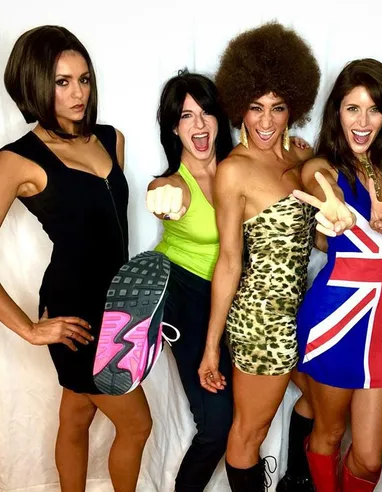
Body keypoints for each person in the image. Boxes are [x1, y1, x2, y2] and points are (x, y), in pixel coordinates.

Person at [0, 26, 155, 492]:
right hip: (75, 312)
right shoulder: (16, 160)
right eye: (62, 82)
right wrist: (29, 327)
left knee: (78, 413)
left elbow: (108, 227)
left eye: (83, 79)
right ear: (35, 85)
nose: (78, 93)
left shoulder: (111, 139)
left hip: (122, 307)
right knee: (137, 424)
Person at [196, 22, 337, 492]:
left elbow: (314, 238)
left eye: (277, 107)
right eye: (256, 107)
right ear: (240, 106)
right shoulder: (233, 170)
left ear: (293, 107)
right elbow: (229, 262)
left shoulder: (295, 159)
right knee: (248, 433)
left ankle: (296, 479)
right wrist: (212, 346)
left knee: (321, 402)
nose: (266, 120)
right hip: (260, 322)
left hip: (300, 313)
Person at [293, 59, 382, 492]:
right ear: (338, 112)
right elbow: (314, 178)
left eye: (374, 109)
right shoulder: (326, 166)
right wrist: (331, 203)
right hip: (334, 318)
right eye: (352, 108)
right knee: (329, 434)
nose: (363, 122)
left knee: (368, 459)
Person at [145, 70, 234, 492]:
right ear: (173, 128)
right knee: (216, 425)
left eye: (206, 112)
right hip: (186, 296)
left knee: (248, 414)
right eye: (185, 116)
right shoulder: (176, 184)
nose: (198, 125)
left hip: (234, 296)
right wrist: (160, 196)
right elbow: (161, 192)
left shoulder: (238, 169)